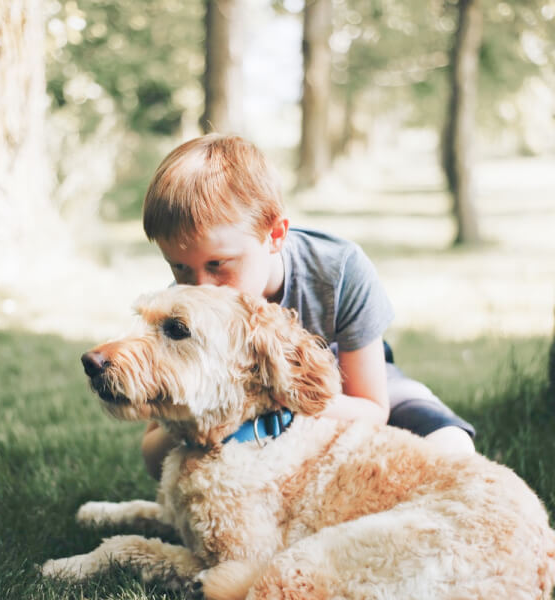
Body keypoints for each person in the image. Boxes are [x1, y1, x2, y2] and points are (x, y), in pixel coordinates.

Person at [140, 133, 475, 479]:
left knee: (453, 447)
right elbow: (153, 456)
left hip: (347, 387)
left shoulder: (338, 270)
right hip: (239, 415)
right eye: (179, 267)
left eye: (217, 264)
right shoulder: (183, 314)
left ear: (275, 235)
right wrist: (197, 414)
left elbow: (373, 409)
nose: (200, 288)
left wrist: (280, 397)